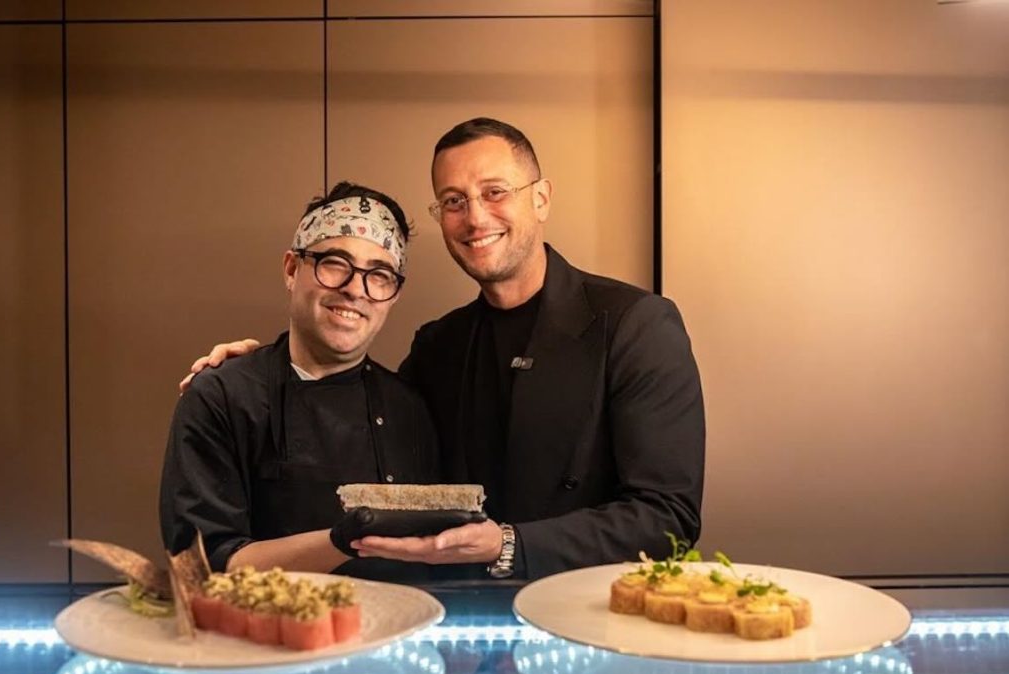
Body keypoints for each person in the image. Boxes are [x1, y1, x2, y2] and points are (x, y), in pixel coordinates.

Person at [182, 118, 705, 580]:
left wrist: (510, 545)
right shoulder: (439, 346)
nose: (475, 218)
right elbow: (350, 408)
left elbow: (668, 517)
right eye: (454, 201)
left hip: (589, 617)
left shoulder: (634, 324)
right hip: (460, 616)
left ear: (541, 198)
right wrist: (258, 371)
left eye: (495, 191)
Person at [160, 181, 446, 580]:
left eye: (379, 274)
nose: (354, 289)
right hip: (260, 620)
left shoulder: (409, 408)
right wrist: (341, 540)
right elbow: (201, 564)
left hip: (399, 618)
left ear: (393, 294)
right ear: (292, 269)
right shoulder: (222, 396)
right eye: (335, 263)